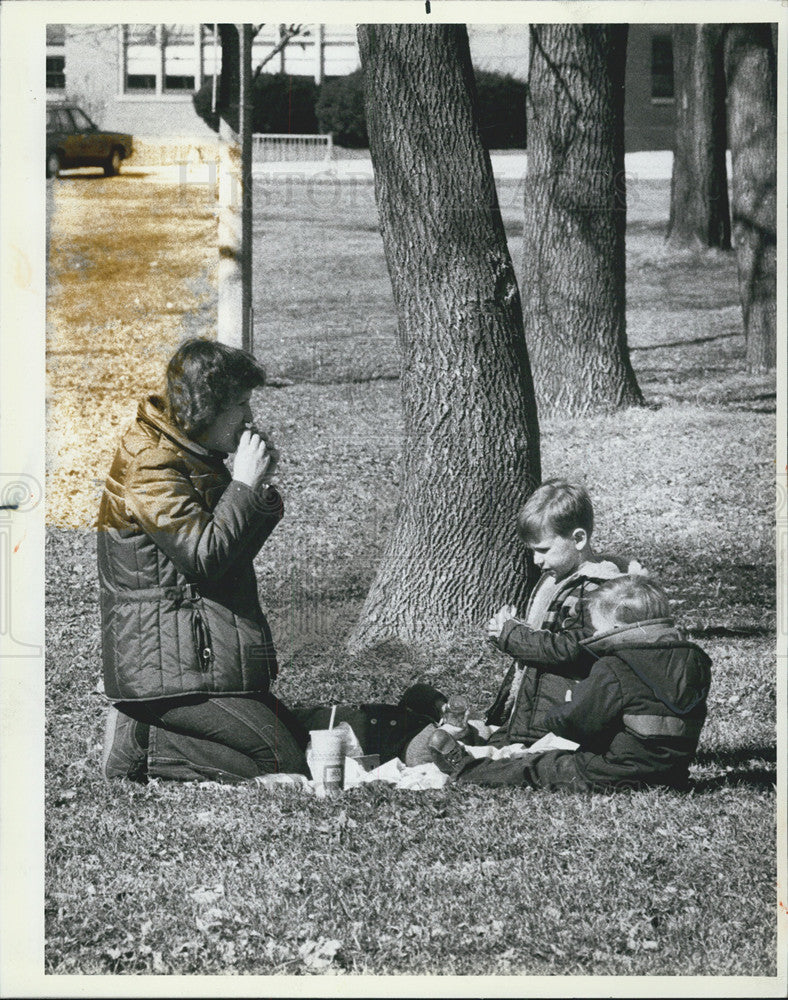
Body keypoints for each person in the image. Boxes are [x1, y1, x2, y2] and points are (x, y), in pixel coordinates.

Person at [98, 339, 447, 783]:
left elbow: (226, 556)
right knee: (282, 764)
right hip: (166, 676)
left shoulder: (192, 454)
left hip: (197, 662)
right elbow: (204, 557)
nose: (249, 417)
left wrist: (256, 493)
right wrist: (242, 486)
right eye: (240, 405)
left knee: (292, 751)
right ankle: (144, 741)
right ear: (206, 408)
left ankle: (169, 736)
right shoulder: (152, 465)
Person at [430, 575, 712, 791]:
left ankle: (466, 769)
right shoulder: (695, 662)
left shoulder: (615, 666)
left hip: (616, 774)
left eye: (597, 629)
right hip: (673, 773)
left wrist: (559, 713)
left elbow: (579, 723)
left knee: (540, 767)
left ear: (615, 630)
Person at [482, 479, 636, 748]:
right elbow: (548, 637)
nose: (536, 561)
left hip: (567, 720)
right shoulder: (558, 579)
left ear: (578, 538)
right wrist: (510, 630)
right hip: (540, 715)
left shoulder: (600, 590)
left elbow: (572, 649)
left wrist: (512, 636)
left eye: (543, 550)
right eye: (532, 551)